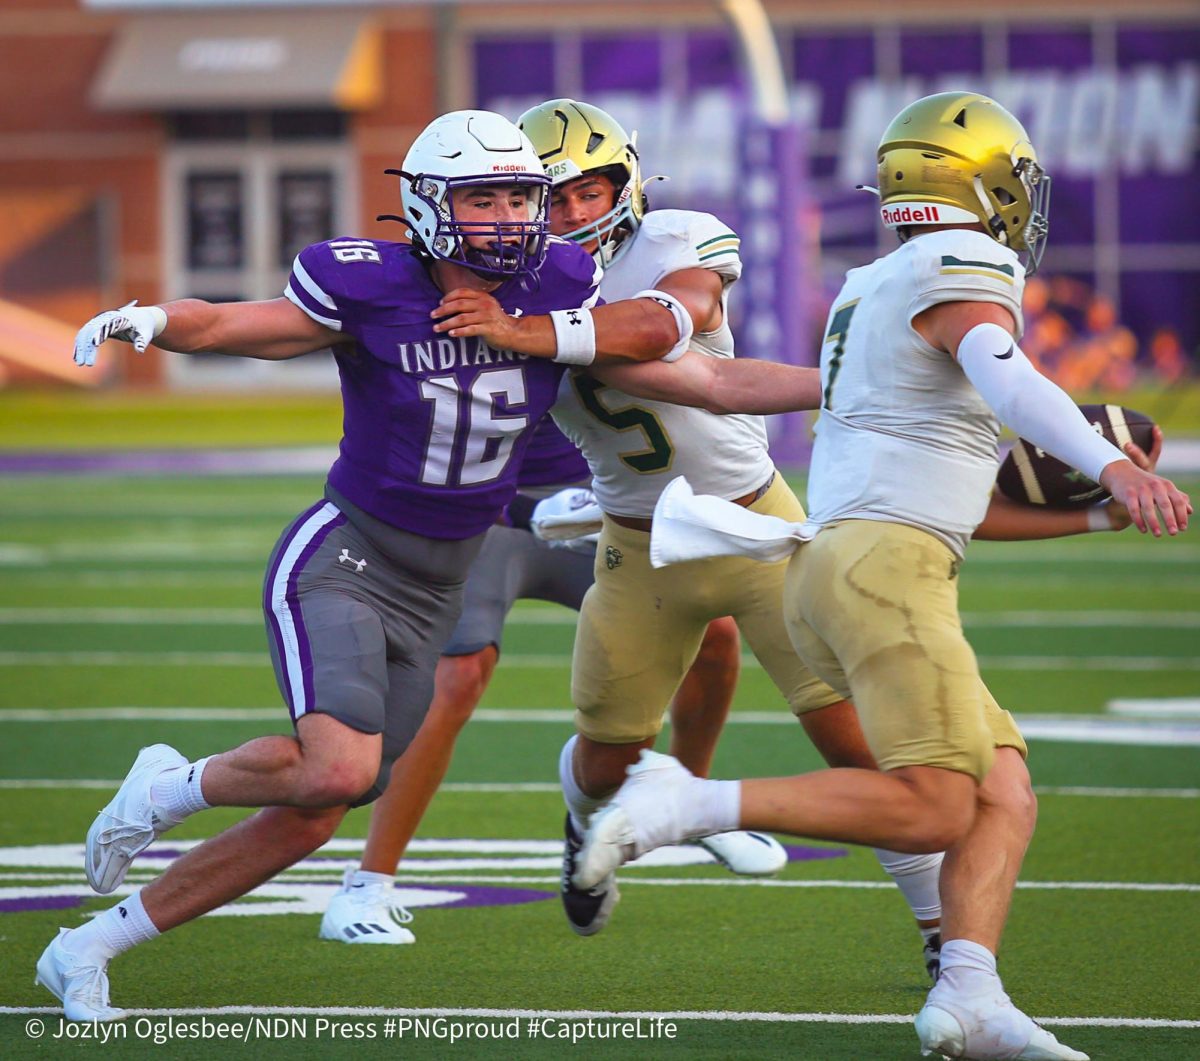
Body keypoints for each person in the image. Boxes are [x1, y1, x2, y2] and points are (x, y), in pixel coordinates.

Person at [567, 93, 1192, 1061]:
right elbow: (1007, 374)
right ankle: (683, 800)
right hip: (877, 567)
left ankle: (970, 991)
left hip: (834, 554)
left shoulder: (869, 291)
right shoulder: (963, 270)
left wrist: (1097, 510)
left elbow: (963, 494)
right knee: (938, 798)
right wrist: (1108, 460)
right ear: (980, 184)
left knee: (1004, 790)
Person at [35, 109, 615, 1021]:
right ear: (428, 206)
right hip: (346, 556)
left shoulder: (561, 279)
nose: (506, 217)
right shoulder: (373, 286)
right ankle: (170, 786)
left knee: (318, 803)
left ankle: (89, 944)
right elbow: (238, 324)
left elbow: (652, 339)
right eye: (482, 197)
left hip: (442, 582)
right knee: (338, 772)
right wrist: (155, 318)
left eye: (518, 196)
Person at [316, 413, 758, 946]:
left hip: (597, 496)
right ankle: (369, 883)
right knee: (458, 672)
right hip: (484, 510)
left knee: (712, 630)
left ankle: (683, 799)